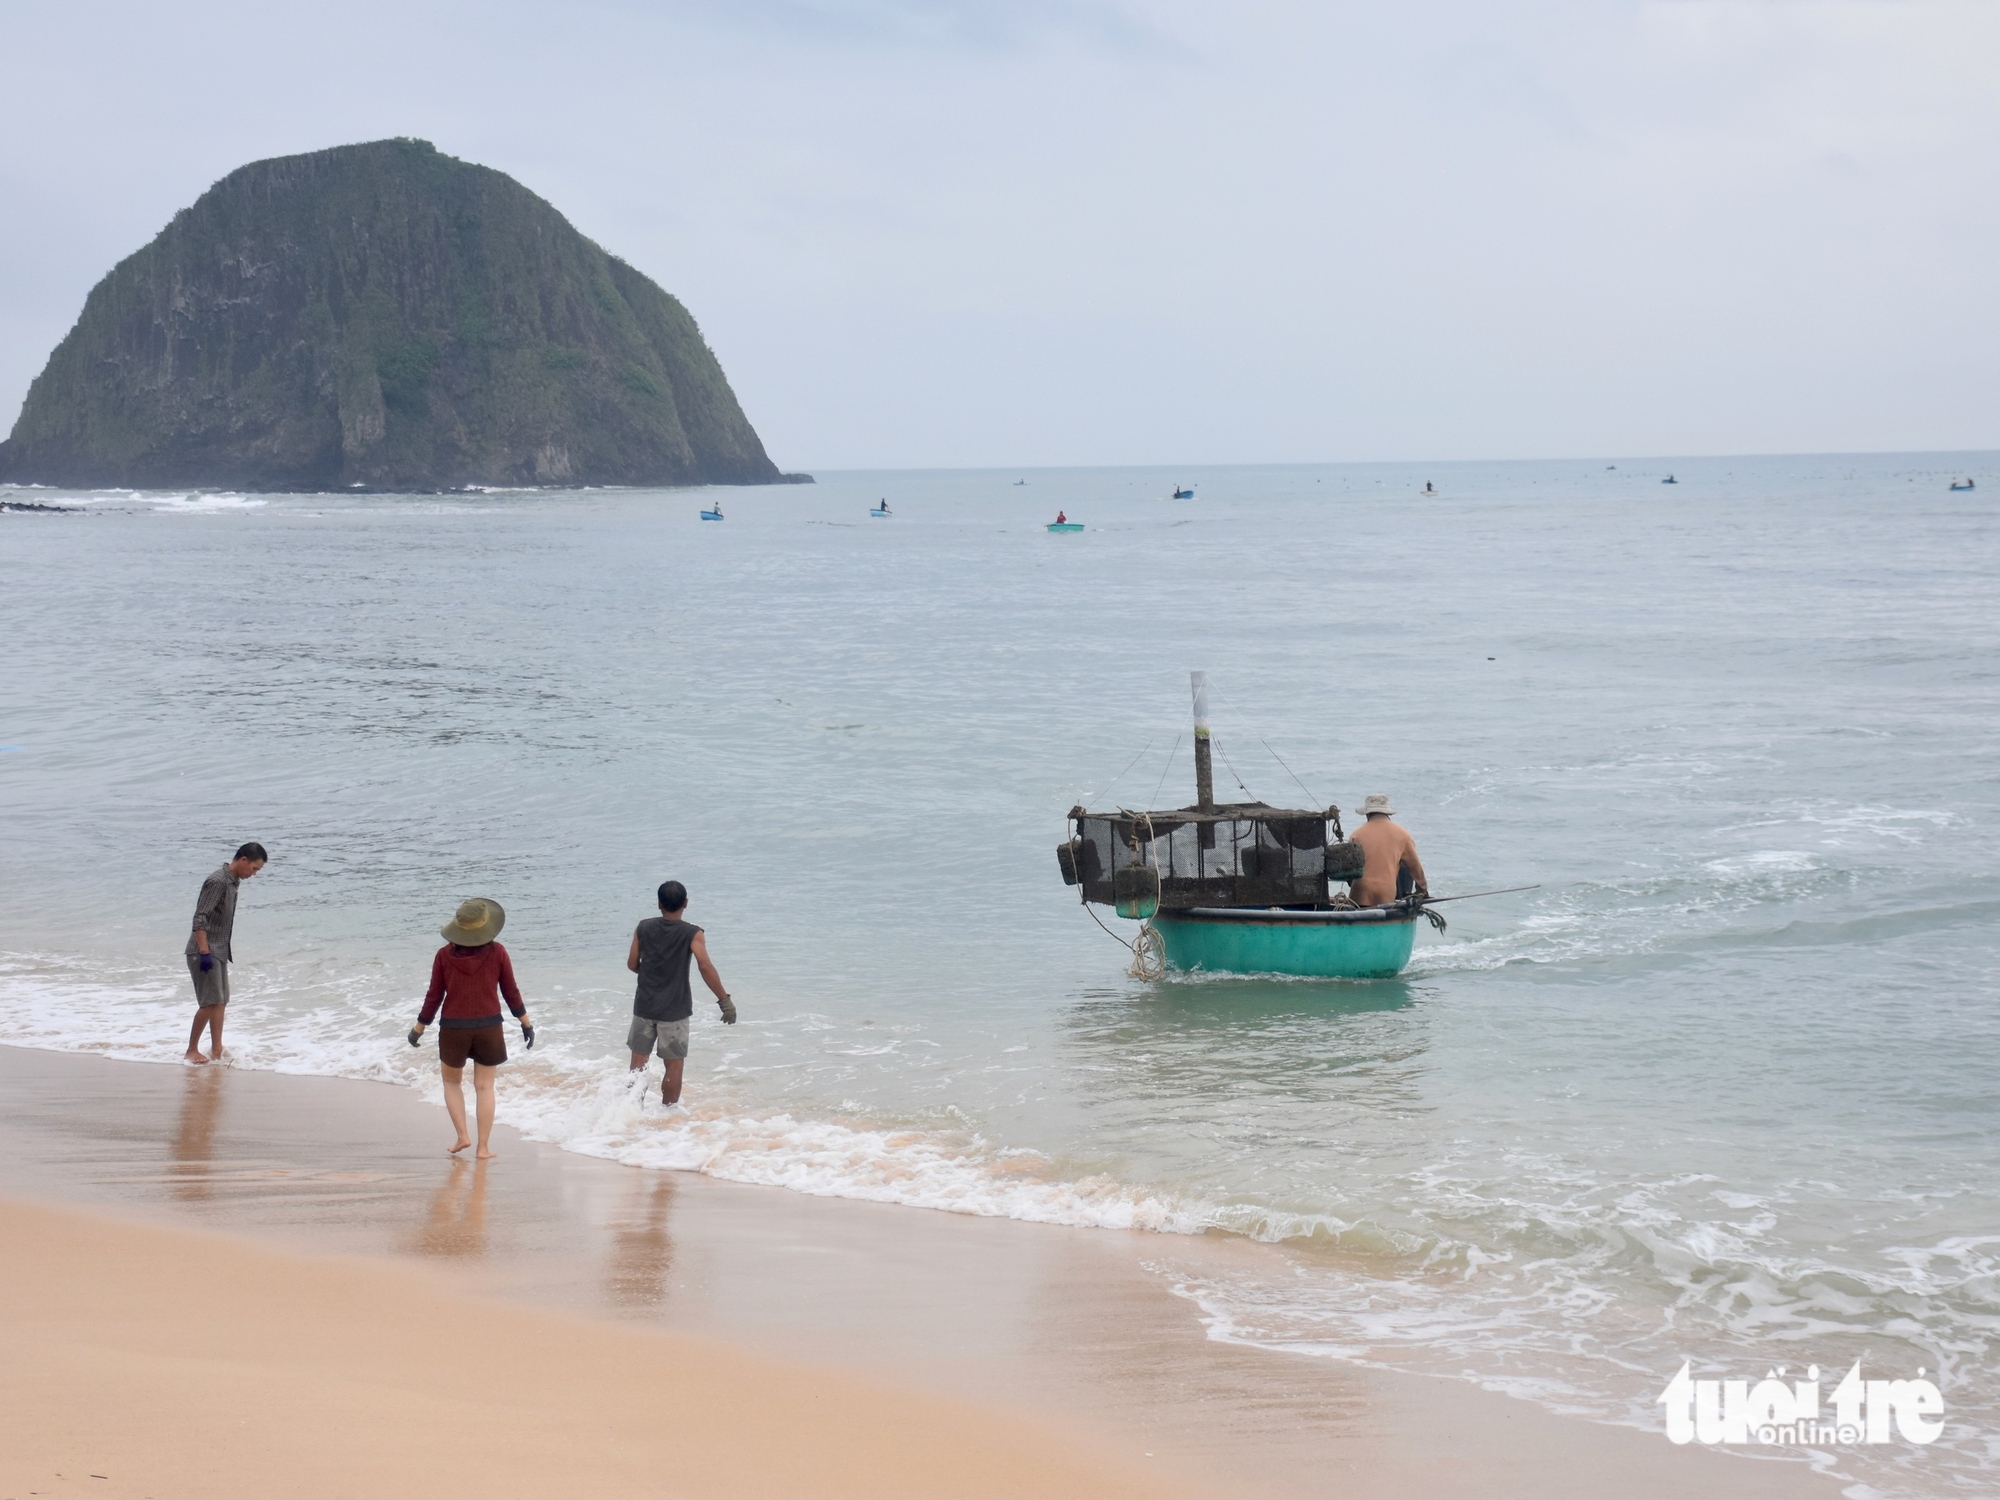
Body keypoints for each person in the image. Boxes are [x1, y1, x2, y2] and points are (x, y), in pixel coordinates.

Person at [408, 898, 532, 1159]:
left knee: (451, 1082)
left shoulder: (443, 956)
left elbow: (434, 996)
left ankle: (462, 1136)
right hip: (489, 1027)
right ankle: (483, 1148)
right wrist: (525, 1022)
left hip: (454, 1028)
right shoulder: (498, 952)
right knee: (484, 1087)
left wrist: (419, 1027)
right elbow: (511, 991)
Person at [627, 881, 735, 1106]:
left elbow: (632, 964)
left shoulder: (643, 927)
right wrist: (724, 1000)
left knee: (638, 1064)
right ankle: (669, 1114)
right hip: (674, 1010)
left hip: (644, 1005)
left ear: (659, 904)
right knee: (673, 1065)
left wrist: (650, 974)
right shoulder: (692, 933)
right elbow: (705, 966)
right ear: (686, 903)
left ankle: (632, 1111)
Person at [183, 842, 268, 1064]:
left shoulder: (233, 882)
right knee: (209, 1002)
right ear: (243, 860)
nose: (254, 874)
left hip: (219, 949)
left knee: (220, 1001)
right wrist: (204, 952)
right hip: (204, 951)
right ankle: (191, 1050)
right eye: (254, 869)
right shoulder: (218, 881)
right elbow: (200, 917)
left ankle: (217, 1049)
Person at [1347, 795, 1429, 907]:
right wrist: (1422, 890)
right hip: (1385, 894)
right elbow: (1415, 866)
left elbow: (1349, 870)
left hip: (1360, 894)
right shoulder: (1403, 835)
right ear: (1387, 813)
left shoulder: (1356, 835)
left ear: (1367, 814)